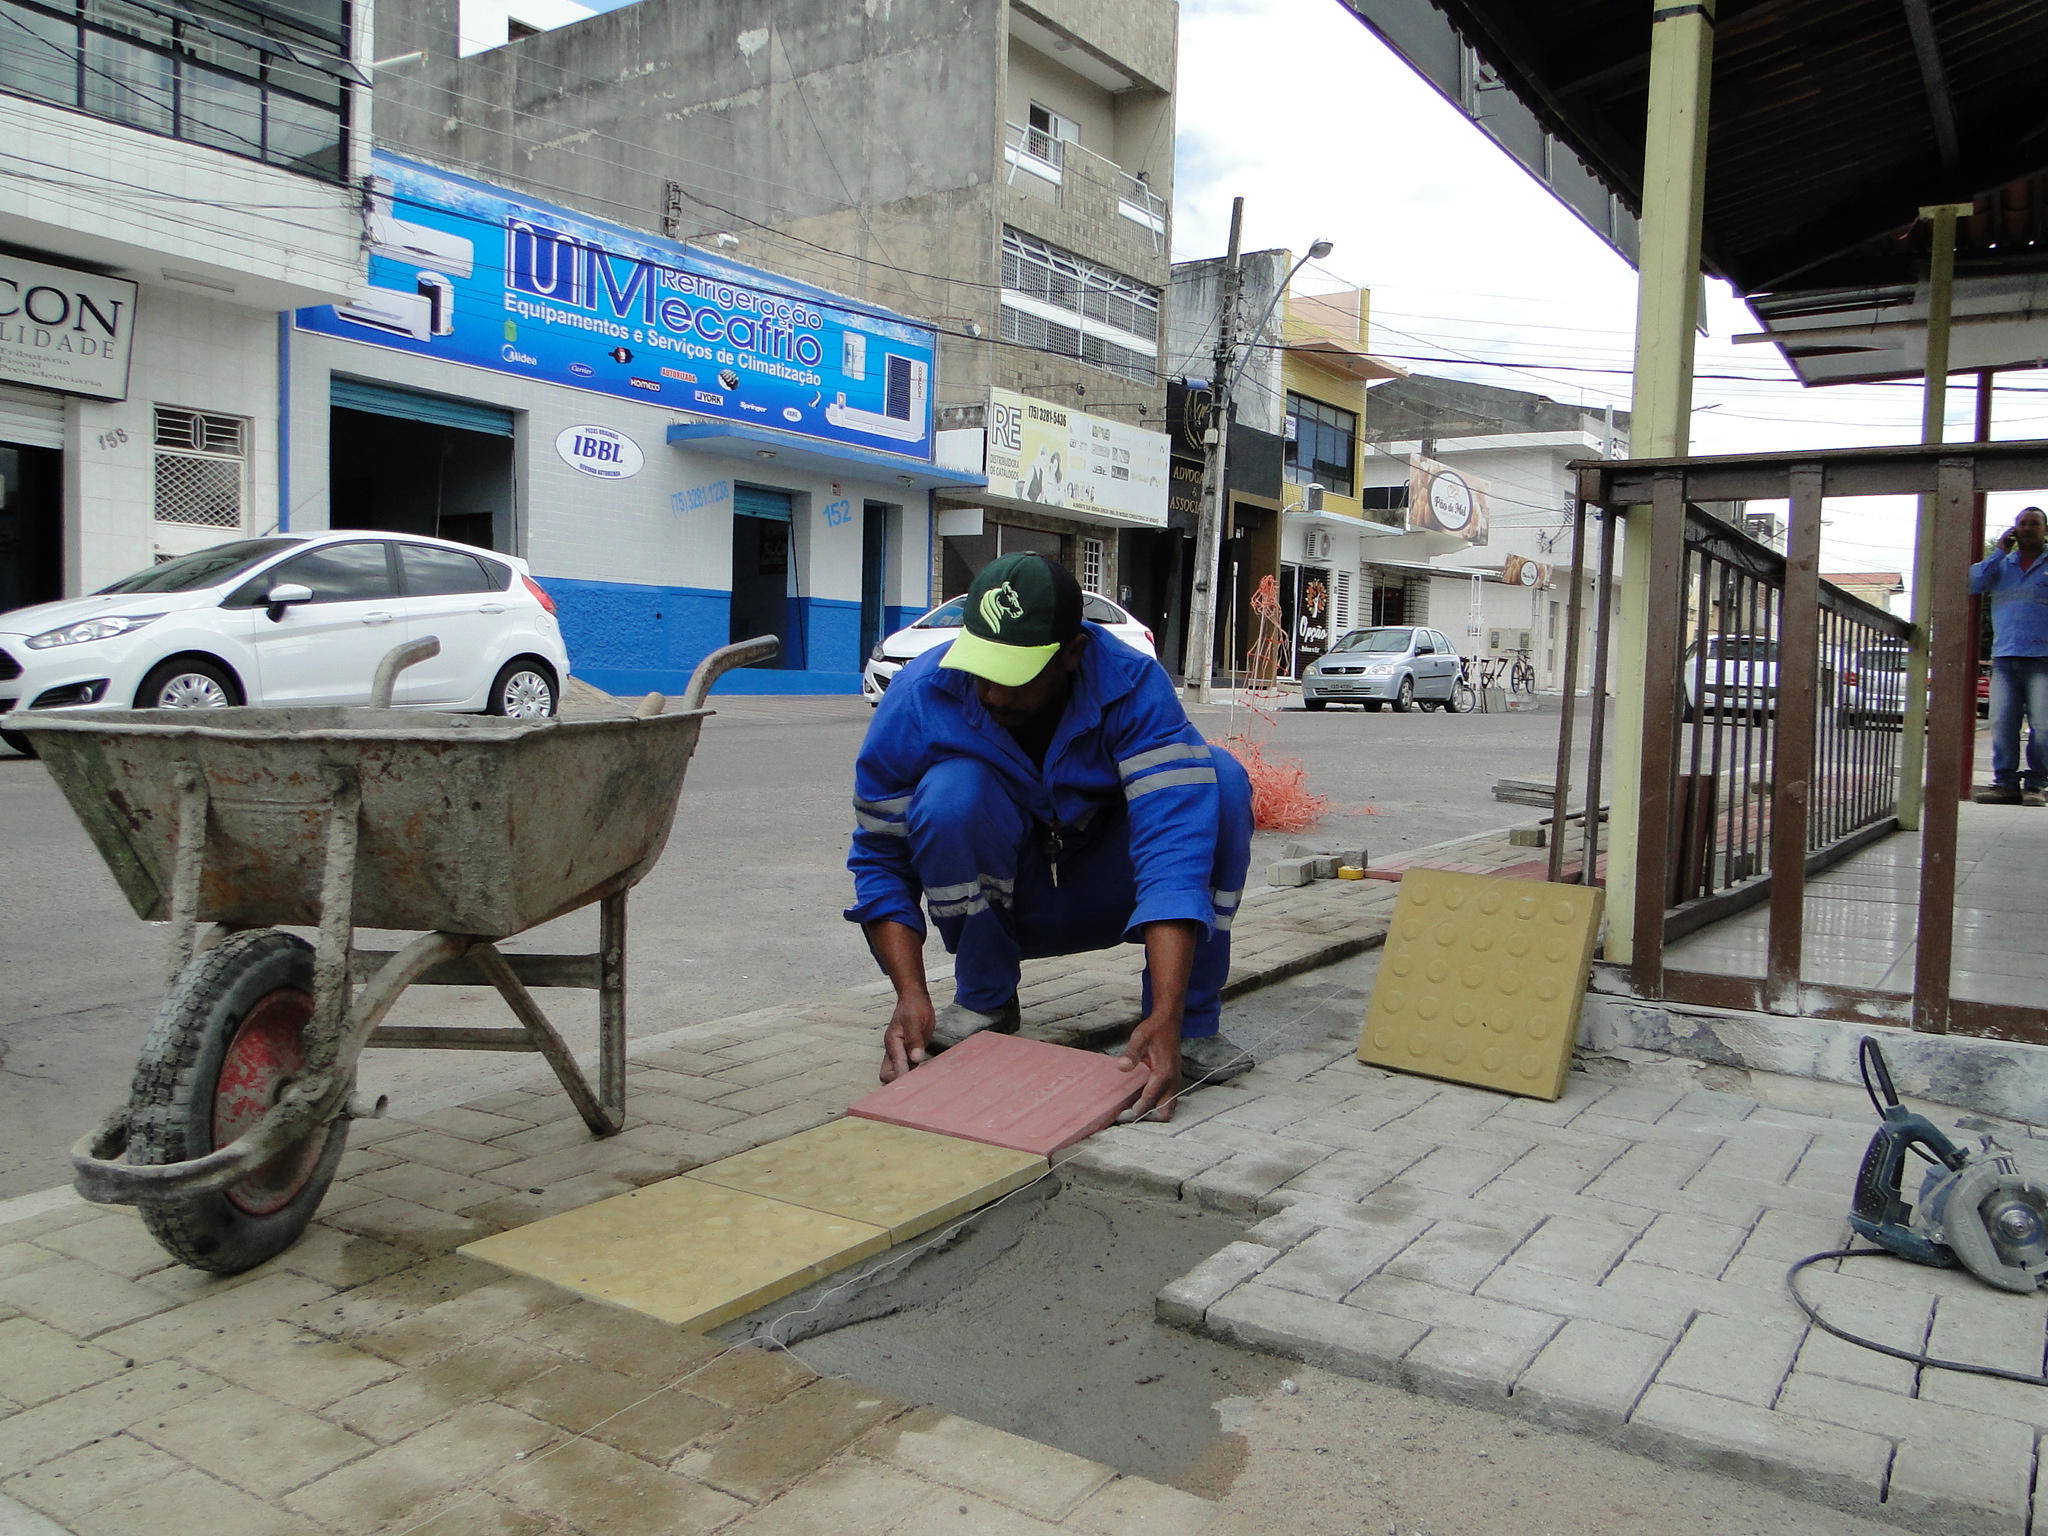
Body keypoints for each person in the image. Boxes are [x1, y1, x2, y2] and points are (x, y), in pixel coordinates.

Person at [846, 551, 1255, 1123]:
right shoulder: (919, 698)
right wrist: (909, 994)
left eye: (1014, 675)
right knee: (951, 793)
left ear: (1073, 654)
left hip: (1116, 897)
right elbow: (880, 859)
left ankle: (1182, 1025)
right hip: (1011, 905)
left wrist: (1165, 1011)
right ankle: (985, 1002)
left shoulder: (1133, 685)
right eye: (982, 667)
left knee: (1223, 781)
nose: (991, 693)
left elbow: (1175, 851)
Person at [1971, 505, 2048, 806]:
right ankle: (2005, 785)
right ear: (2015, 529)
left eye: (2035, 523)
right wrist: (1999, 552)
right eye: (2022, 523)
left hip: (2043, 658)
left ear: (2044, 529)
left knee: (2043, 727)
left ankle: (2036, 785)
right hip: (2004, 658)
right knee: (2002, 724)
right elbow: (1972, 582)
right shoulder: (2002, 565)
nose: (2028, 528)